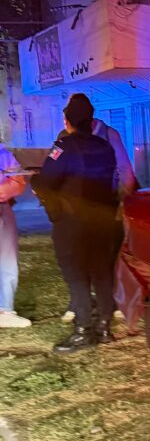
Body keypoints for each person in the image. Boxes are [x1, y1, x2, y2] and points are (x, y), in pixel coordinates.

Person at [33, 94, 121, 354]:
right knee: (102, 272)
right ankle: (104, 326)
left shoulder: (63, 147)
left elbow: (47, 181)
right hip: (103, 221)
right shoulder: (104, 146)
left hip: (74, 222)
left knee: (75, 273)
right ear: (91, 121)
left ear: (67, 120)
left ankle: (83, 330)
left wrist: (36, 183)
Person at [57, 102, 136, 323]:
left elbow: (124, 169)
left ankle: (109, 304)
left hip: (104, 206)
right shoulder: (65, 136)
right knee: (77, 257)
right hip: (75, 209)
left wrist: (122, 201)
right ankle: (79, 302)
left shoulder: (109, 135)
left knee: (107, 256)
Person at [0, 143, 30, 328]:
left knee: (7, 259)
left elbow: (18, 182)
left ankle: (5, 309)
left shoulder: (3, 154)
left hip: (3, 208)